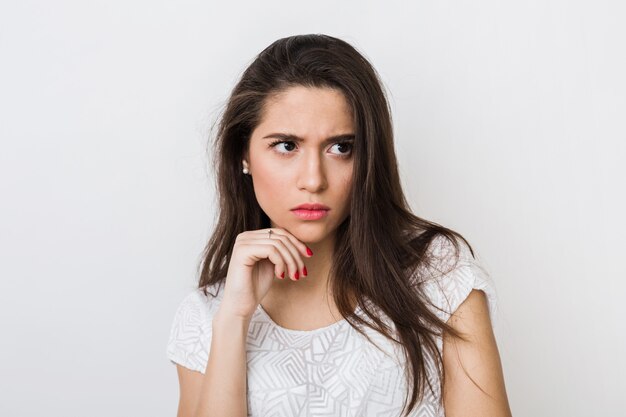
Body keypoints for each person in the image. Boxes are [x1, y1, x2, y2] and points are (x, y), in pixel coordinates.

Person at [166, 34, 513, 417]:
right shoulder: (205, 317)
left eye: (341, 147)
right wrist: (232, 319)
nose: (314, 180)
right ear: (242, 155)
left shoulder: (441, 284)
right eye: (286, 146)